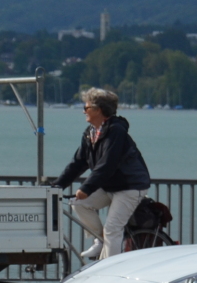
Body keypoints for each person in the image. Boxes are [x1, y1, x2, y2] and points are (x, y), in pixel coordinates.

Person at [54, 88, 152, 259]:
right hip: (110, 185)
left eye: (86, 108)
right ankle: (100, 241)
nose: (83, 111)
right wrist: (54, 187)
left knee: (112, 228)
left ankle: (109, 272)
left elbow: (108, 164)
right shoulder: (90, 133)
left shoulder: (116, 131)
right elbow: (77, 163)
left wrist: (87, 188)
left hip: (130, 186)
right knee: (78, 203)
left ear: (98, 110)